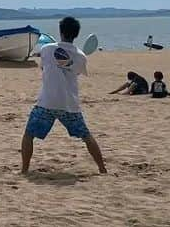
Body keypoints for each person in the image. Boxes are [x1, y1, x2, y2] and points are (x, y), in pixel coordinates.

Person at [21, 17, 106, 175]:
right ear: (76, 34)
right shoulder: (81, 56)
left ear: (60, 31)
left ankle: (24, 170)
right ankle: (102, 168)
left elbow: (44, 68)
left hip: (47, 102)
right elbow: (76, 72)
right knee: (86, 136)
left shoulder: (47, 49)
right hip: (69, 105)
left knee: (29, 135)